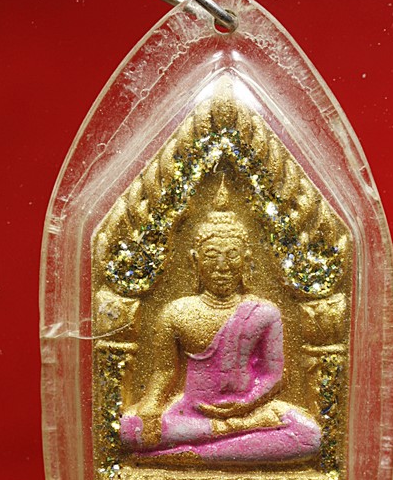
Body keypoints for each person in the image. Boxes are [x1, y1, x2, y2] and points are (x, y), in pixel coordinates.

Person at [120, 187, 321, 461]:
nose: (222, 266)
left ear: (246, 259)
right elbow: (164, 373)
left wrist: (245, 404)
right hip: (193, 412)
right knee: (129, 429)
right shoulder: (177, 311)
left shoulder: (265, 311)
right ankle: (226, 434)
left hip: (251, 409)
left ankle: (187, 453)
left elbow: (273, 375)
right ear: (195, 259)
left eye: (232, 255)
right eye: (212, 255)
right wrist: (151, 407)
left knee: (310, 435)